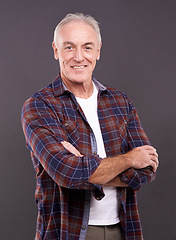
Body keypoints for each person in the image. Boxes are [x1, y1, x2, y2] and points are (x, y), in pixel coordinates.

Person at [21, 13, 159, 240]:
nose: (78, 57)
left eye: (87, 47)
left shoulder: (120, 102)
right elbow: (66, 172)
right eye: (69, 47)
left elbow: (146, 168)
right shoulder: (39, 106)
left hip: (123, 229)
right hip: (67, 232)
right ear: (56, 50)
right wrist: (128, 159)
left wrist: (85, 166)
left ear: (98, 51)